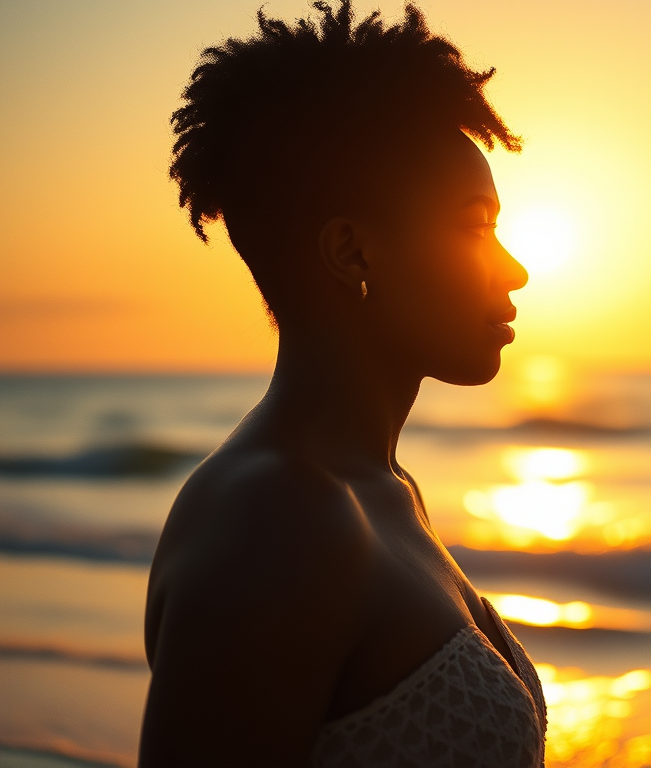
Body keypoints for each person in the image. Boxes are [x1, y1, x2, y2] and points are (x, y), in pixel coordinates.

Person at [139, 3, 543, 766]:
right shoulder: (276, 520)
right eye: (475, 226)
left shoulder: (382, 488)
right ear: (353, 252)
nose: (515, 269)